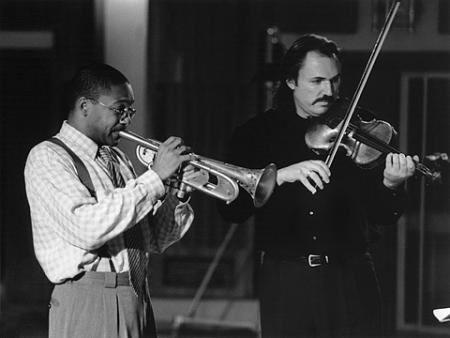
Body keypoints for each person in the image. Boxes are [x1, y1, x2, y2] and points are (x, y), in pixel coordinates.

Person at [218, 34, 417, 338]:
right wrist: (279, 175)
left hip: (350, 276)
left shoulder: (361, 131)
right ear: (290, 81)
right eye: (317, 81)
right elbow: (232, 211)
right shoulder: (256, 134)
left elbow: (383, 215)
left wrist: (391, 184)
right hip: (286, 280)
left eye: (335, 81)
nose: (329, 91)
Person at [24, 63, 201, 338]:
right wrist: (154, 178)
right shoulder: (48, 156)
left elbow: (154, 240)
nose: (127, 119)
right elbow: (88, 230)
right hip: (90, 297)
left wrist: (177, 191)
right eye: (119, 109)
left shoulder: (117, 159)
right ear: (85, 106)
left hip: (137, 292)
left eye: (130, 111)